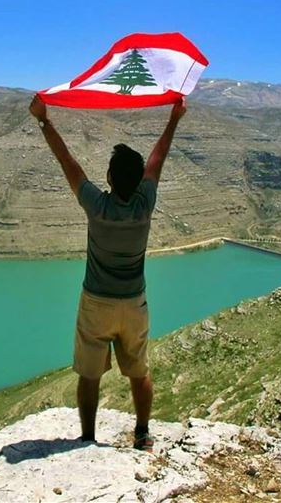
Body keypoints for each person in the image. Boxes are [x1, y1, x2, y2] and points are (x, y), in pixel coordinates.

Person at [28, 93, 187, 452]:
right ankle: (142, 433)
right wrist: (174, 120)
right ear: (139, 181)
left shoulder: (97, 206)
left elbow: (67, 161)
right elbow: (157, 160)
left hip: (96, 303)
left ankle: (87, 438)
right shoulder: (145, 205)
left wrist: (44, 121)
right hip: (134, 304)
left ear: (109, 178)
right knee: (139, 371)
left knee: (89, 373)